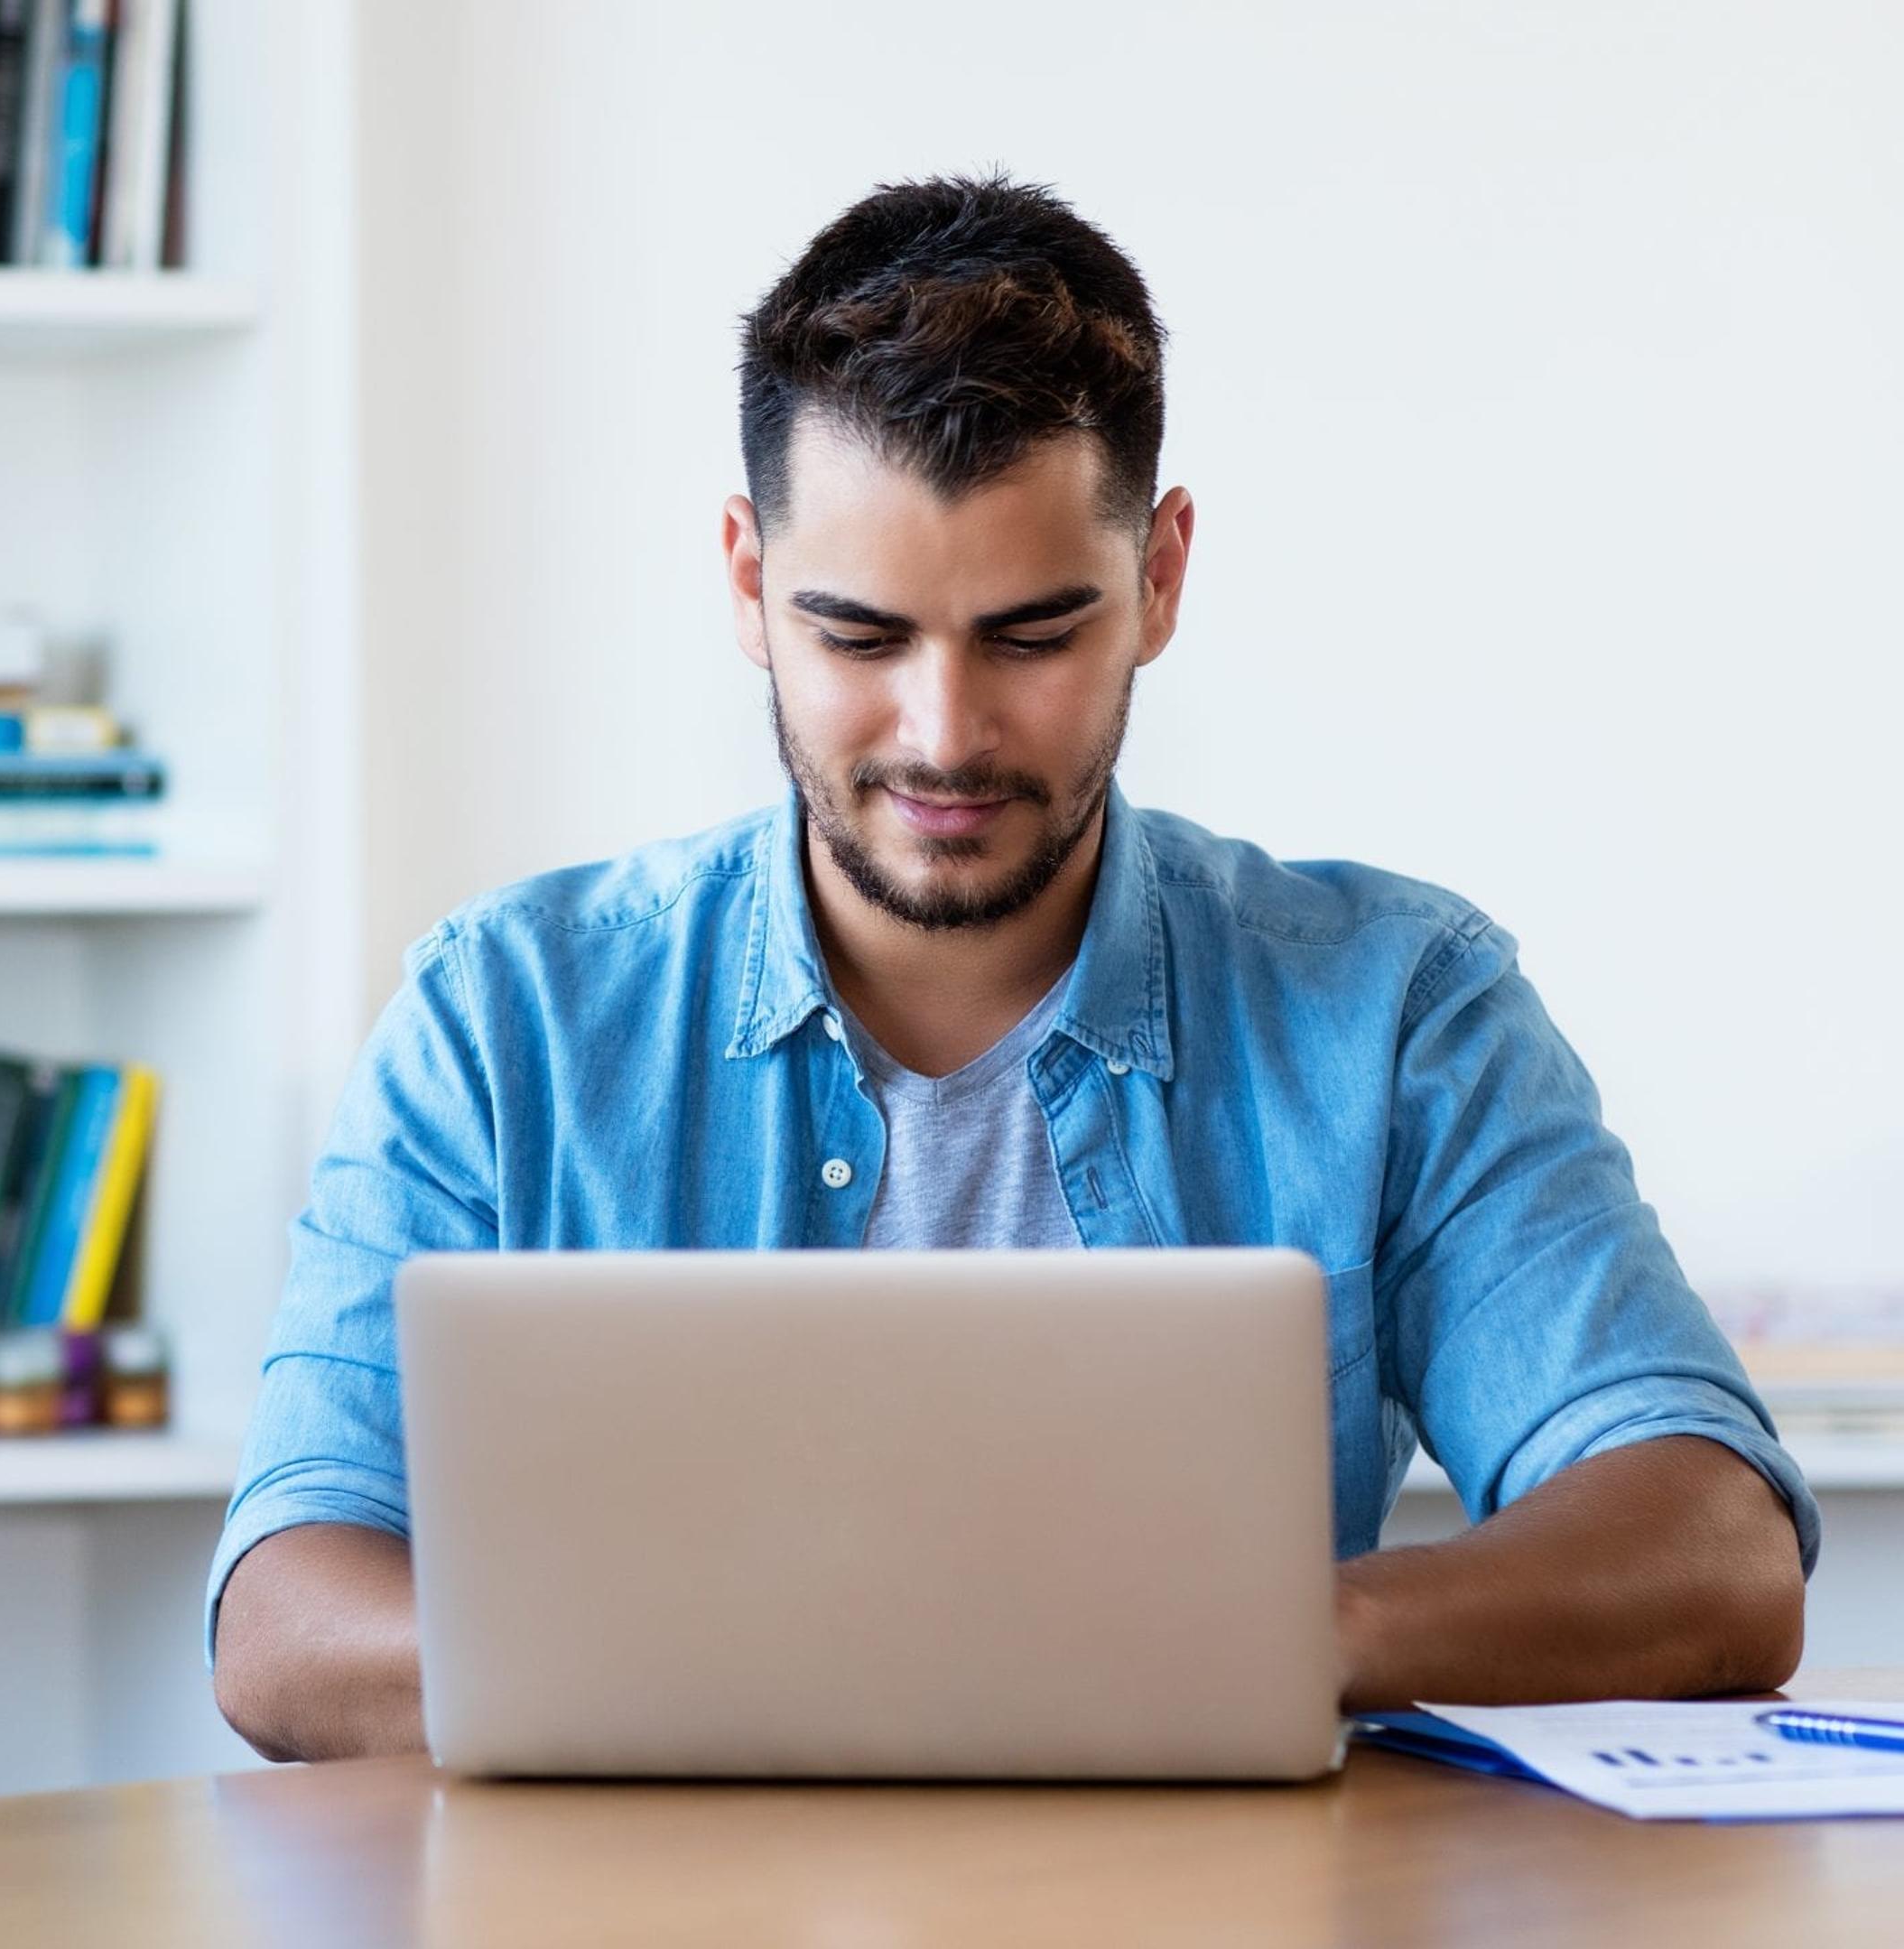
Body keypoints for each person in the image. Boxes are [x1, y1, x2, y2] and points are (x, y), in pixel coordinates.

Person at [209, 174, 1812, 1765]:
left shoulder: (1397, 1010)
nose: (945, 734)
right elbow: (282, 1626)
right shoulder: (506, 1020)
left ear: (1160, 578)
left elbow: (1714, 1553)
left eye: (1034, 636)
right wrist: (781, 1669)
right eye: (860, 636)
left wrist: (1261, 1637)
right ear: (747, 580)